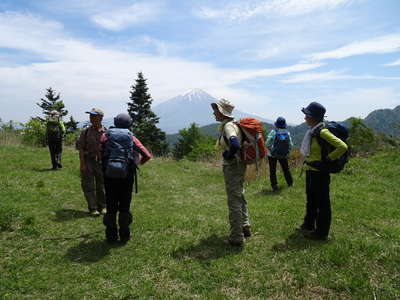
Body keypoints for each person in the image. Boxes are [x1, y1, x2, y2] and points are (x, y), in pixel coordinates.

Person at [296, 102, 348, 240]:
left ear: (313, 117)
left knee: (322, 202)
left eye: (307, 115)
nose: (305, 118)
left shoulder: (322, 132)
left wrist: (327, 159)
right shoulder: (313, 131)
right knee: (311, 199)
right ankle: (308, 224)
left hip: (320, 172)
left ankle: (321, 232)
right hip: (311, 169)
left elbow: (342, 147)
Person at [101, 113, 152, 243]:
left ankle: (111, 236)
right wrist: (135, 164)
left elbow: (99, 151)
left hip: (109, 176)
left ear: (115, 122)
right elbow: (147, 155)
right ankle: (125, 235)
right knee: (124, 205)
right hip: (126, 176)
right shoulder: (131, 137)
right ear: (129, 124)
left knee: (111, 205)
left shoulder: (106, 135)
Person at [211, 98, 250, 247]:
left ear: (222, 112)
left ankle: (236, 237)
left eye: (216, 110)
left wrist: (228, 155)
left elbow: (234, 144)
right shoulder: (233, 124)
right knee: (240, 196)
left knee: (233, 201)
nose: (213, 113)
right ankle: (245, 226)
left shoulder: (228, 126)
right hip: (239, 165)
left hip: (233, 166)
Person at [77, 108, 106, 216]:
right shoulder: (85, 131)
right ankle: (92, 207)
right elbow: (80, 148)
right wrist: (82, 164)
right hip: (88, 160)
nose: (91, 117)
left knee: (102, 185)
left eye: (94, 115)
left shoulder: (106, 132)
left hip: (101, 162)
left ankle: (102, 206)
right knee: (88, 185)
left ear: (100, 118)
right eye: (90, 115)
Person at [266, 117, 293, 192]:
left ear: (276, 124)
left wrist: (271, 150)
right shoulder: (287, 133)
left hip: (272, 155)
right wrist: (286, 150)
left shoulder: (273, 132)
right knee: (286, 169)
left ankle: (274, 186)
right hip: (283, 154)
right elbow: (291, 145)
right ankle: (290, 183)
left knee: (272, 170)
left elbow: (267, 143)